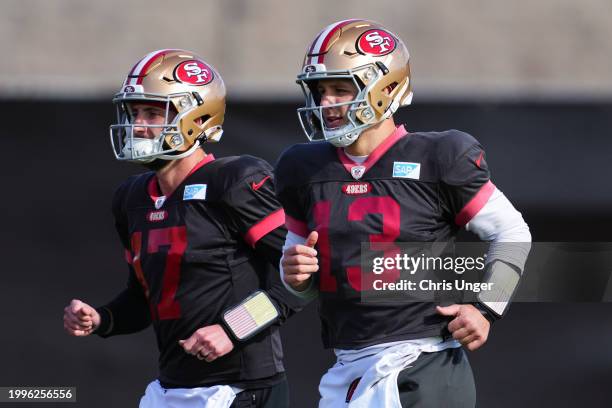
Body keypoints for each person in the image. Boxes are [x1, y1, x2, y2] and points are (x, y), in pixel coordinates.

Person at [275, 20, 531, 407]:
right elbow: (302, 281)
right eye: (320, 90)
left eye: (341, 89)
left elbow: (512, 232)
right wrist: (294, 274)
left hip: (423, 363)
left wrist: (486, 307)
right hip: (347, 366)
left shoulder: (440, 156)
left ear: (387, 88)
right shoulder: (303, 167)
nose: (326, 103)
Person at [63, 49, 303, 408]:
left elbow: (302, 282)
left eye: (152, 113)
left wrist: (232, 329)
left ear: (197, 117)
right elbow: (144, 298)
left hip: (242, 390)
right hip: (171, 388)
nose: (137, 125)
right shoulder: (131, 198)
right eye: (134, 113)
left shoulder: (233, 181)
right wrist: (102, 318)